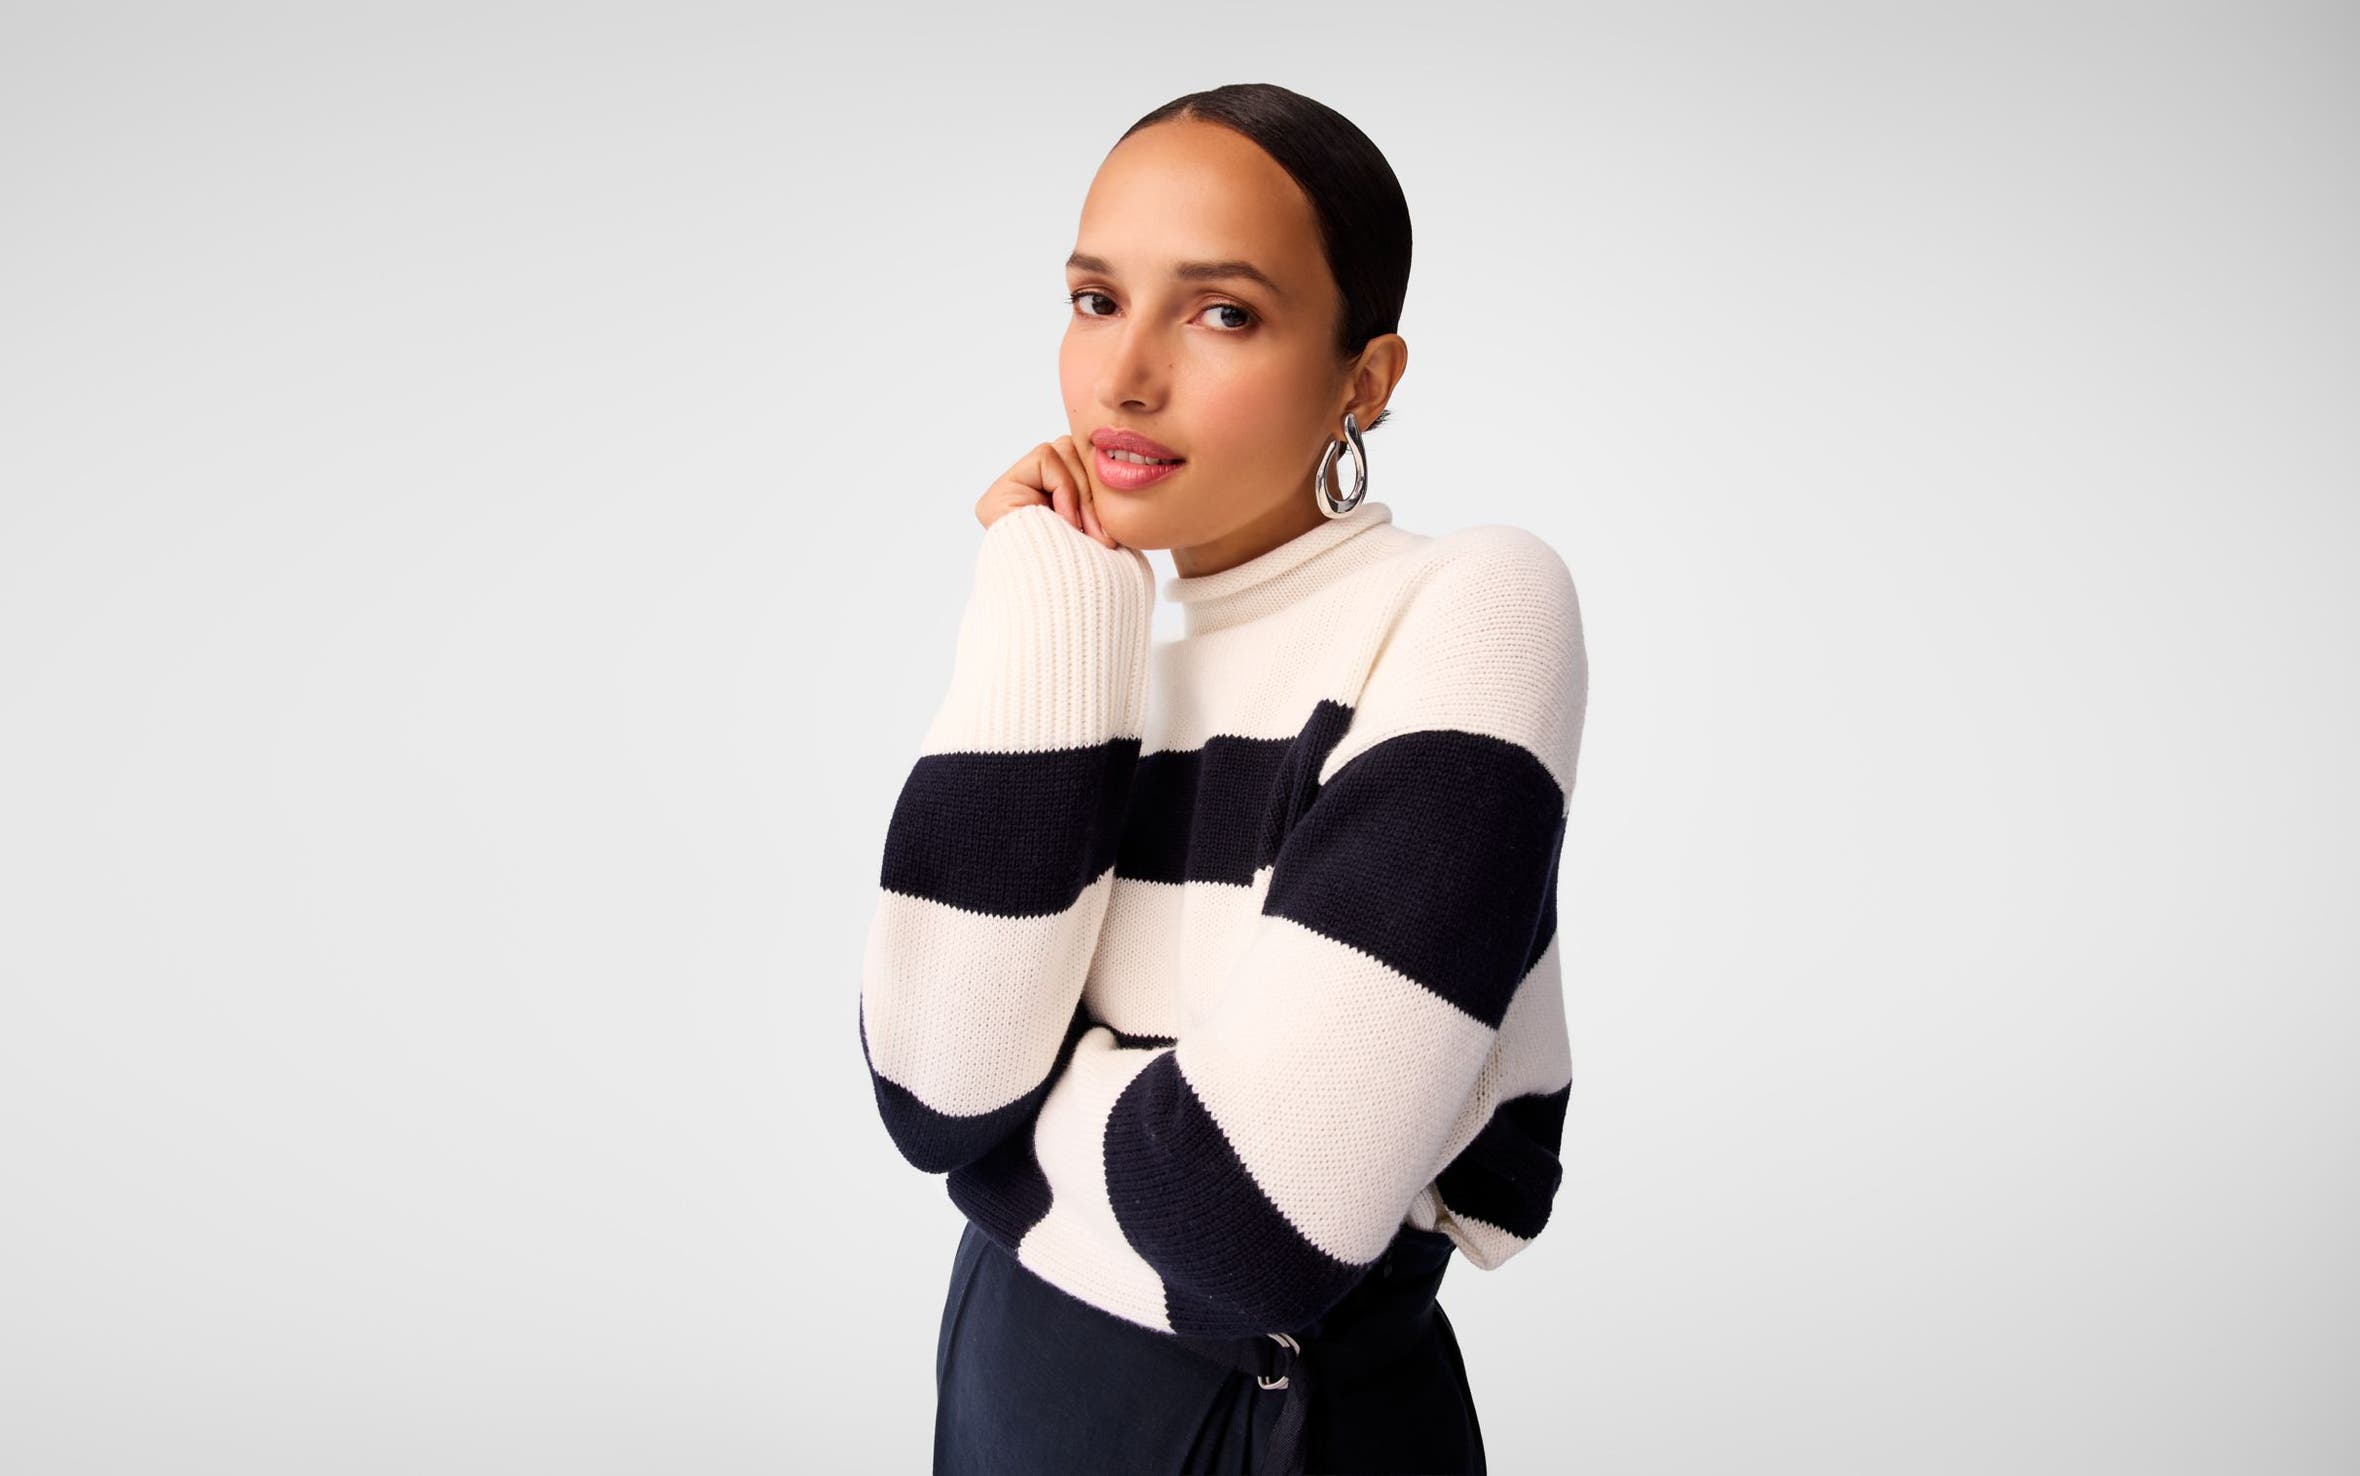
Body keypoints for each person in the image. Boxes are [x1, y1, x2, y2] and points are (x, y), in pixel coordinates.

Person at [857, 81, 1589, 1475]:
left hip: (1275, 1423)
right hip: (1009, 1379)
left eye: (1222, 313)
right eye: (1095, 300)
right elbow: (935, 1094)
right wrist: (1051, 589)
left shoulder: (1469, 608)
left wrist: (1004, 1158)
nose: (1124, 377)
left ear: (1366, 379)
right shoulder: (1086, 647)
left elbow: (1248, 1224)